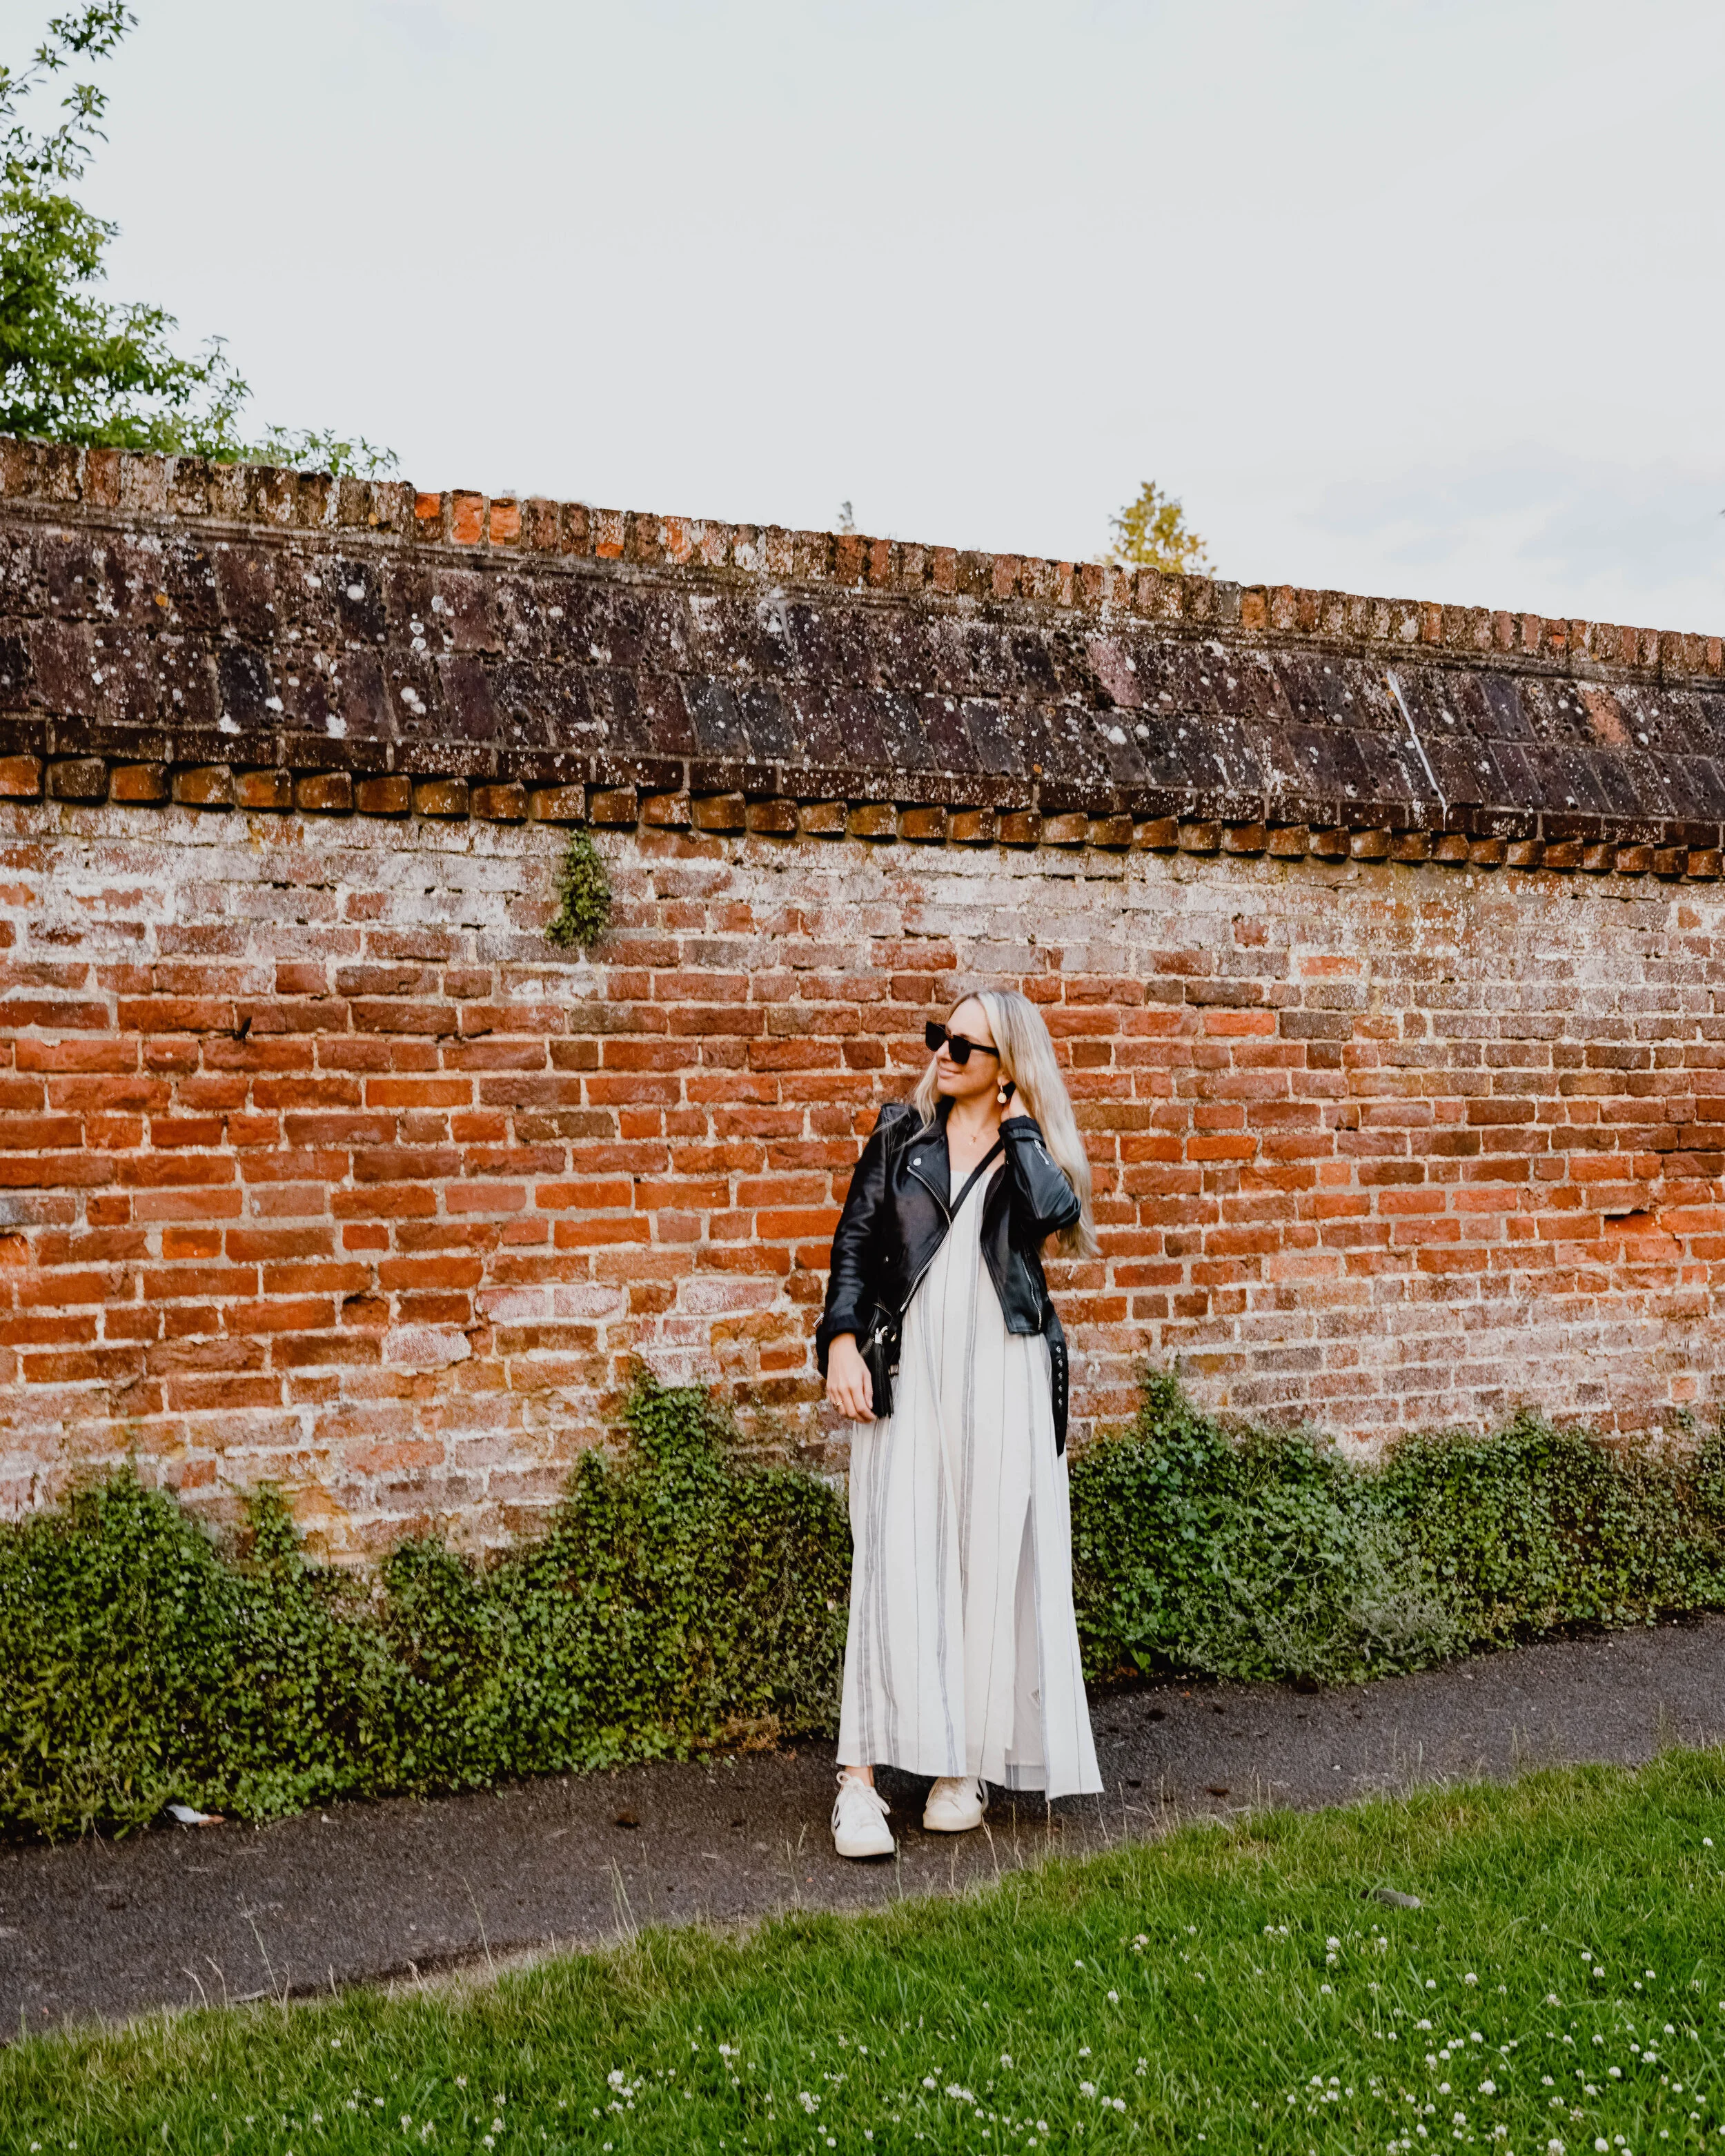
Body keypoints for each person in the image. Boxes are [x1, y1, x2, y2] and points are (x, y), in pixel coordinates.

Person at [816, 988, 1104, 1859]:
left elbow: (1058, 1214)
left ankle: (958, 1768)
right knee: (894, 1560)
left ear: (1008, 1067)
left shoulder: (1032, 1154)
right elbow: (855, 1246)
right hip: (911, 1369)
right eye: (939, 1035)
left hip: (1003, 1373)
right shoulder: (900, 1136)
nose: (944, 1053)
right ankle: (858, 1784)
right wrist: (837, 1341)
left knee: (983, 1562)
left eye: (967, 1046)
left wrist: (1018, 1127)